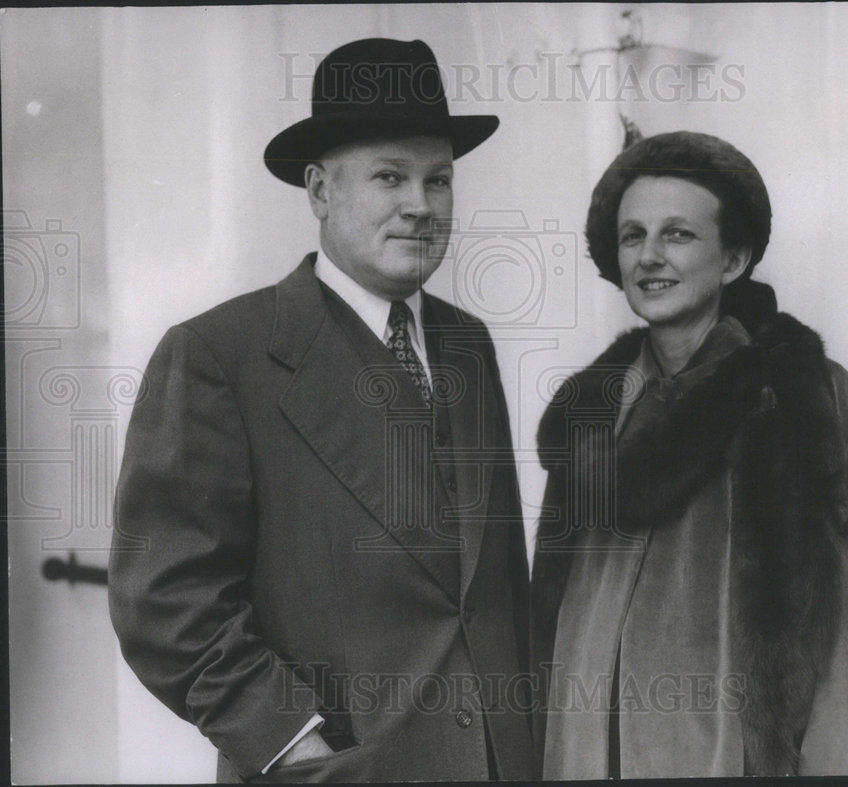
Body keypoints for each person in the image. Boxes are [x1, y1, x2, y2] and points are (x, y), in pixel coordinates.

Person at [109, 38, 532, 783]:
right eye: (390, 177)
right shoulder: (216, 355)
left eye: (439, 179)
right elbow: (165, 601)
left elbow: (489, 584)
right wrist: (295, 745)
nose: (420, 206)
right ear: (318, 191)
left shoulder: (469, 344)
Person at [530, 131, 848, 778]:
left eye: (678, 234)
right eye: (633, 235)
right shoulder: (591, 414)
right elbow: (550, 619)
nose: (650, 256)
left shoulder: (795, 396)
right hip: (585, 757)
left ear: (733, 259)